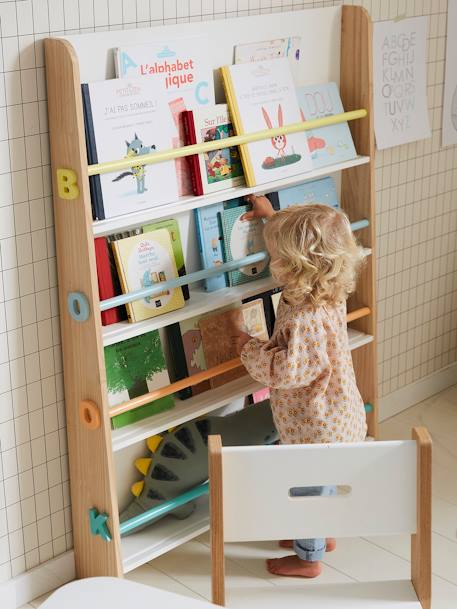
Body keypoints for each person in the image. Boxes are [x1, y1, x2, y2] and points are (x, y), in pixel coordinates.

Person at [233, 194, 367, 578]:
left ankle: (309, 558)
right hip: (336, 417)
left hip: (316, 426)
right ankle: (322, 536)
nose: (271, 260)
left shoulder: (306, 315)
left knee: (306, 491)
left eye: (275, 256)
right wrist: (270, 217)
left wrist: (247, 345)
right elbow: (304, 243)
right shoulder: (327, 290)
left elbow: (286, 370)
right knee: (319, 487)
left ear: (295, 268)